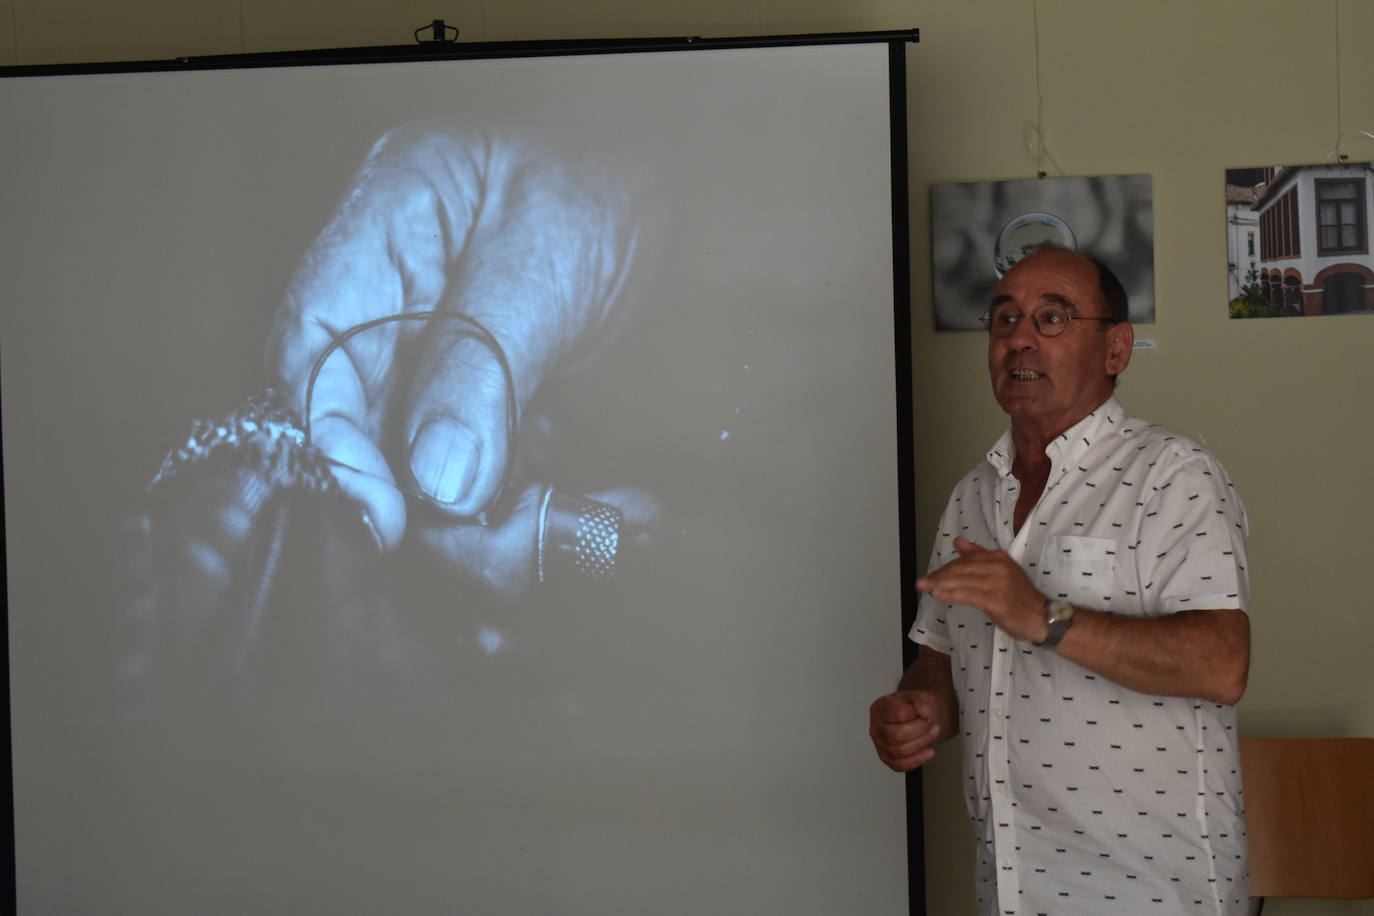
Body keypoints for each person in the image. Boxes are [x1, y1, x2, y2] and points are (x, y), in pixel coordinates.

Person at [869, 247, 1251, 915]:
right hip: (1012, 890)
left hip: (1153, 894)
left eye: (1053, 318)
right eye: (1005, 318)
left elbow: (1221, 665)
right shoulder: (971, 496)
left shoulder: (1173, 474)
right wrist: (921, 711)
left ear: (1116, 349)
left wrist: (1045, 617)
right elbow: (941, 661)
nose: (1019, 336)